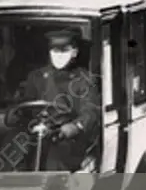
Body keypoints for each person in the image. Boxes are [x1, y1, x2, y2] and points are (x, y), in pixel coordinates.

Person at [16, 30, 100, 171]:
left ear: (74, 52)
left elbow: (90, 111)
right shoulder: (36, 77)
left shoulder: (84, 79)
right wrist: (18, 117)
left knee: (56, 158)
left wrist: (75, 126)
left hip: (65, 136)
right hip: (36, 132)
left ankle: (55, 189)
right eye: (55, 51)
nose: (59, 56)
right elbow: (25, 105)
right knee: (13, 146)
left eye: (64, 51)